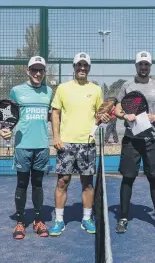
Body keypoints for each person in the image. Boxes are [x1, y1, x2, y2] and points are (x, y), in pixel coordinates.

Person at [50, 52, 111, 236]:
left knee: (87, 183)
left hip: (87, 143)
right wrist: (56, 137)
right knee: (62, 182)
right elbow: (55, 113)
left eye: (85, 65)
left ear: (89, 68)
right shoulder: (62, 88)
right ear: (74, 67)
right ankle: (59, 220)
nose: (82, 68)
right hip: (66, 143)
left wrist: (104, 118)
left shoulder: (96, 90)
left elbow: (100, 115)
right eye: (79, 65)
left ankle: (86, 218)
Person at [114, 51, 155, 233]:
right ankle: (123, 218)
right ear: (136, 66)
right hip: (131, 139)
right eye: (141, 64)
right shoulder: (127, 86)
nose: (143, 67)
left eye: (146, 64)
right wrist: (125, 114)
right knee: (128, 178)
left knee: (154, 179)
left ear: (150, 66)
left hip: (152, 139)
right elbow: (117, 109)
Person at [0, 56, 53, 240]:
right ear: (27, 70)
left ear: (44, 71)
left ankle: (38, 221)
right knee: (22, 184)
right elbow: (8, 115)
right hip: (22, 146)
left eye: (41, 70)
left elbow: (54, 116)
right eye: (34, 70)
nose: (37, 73)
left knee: (37, 184)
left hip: (42, 147)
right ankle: (20, 222)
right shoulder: (16, 91)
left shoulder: (49, 91)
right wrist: (4, 130)